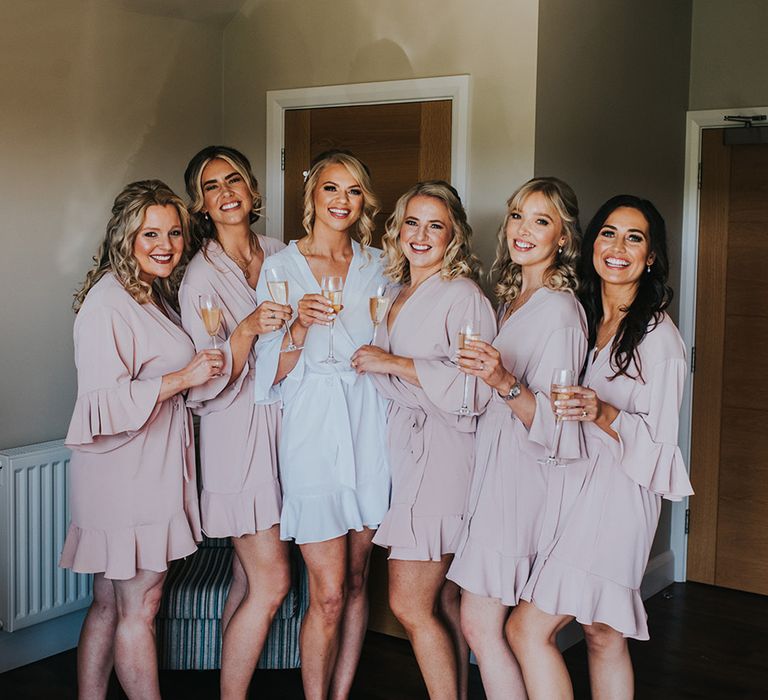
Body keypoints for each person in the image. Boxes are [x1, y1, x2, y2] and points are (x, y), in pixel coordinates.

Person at [507, 195, 694, 699]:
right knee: (602, 632)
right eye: (608, 233)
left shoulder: (660, 340)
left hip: (615, 504)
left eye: (635, 238)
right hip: (570, 490)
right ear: (592, 244)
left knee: (526, 629)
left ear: (651, 257)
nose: (618, 247)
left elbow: (661, 450)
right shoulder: (587, 320)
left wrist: (603, 411)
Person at [59, 180, 222, 700]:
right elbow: (101, 404)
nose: (165, 244)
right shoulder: (108, 303)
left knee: (109, 600)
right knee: (140, 605)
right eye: (150, 233)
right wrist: (184, 378)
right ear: (125, 235)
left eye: (174, 232)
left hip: (143, 464)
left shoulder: (147, 293)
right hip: (124, 470)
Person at [253, 150, 390, 700]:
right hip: (311, 427)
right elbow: (270, 373)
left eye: (354, 191)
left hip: (368, 423)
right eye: (331, 188)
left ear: (364, 201)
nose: (341, 201)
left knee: (358, 582)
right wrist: (299, 328)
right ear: (311, 196)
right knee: (328, 592)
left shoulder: (381, 264)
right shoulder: (280, 268)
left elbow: (395, 341)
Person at [351, 181, 496, 700]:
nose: (421, 234)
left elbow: (476, 390)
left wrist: (390, 362)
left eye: (435, 225)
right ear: (398, 228)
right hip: (408, 451)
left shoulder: (464, 297)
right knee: (445, 605)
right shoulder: (395, 290)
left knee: (411, 605)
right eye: (412, 222)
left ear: (453, 234)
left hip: (443, 454)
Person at [446, 177, 587, 700]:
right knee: (481, 623)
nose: (523, 230)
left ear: (564, 239)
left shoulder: (562, 313)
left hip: (521, 485)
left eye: (541, 220)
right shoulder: (512, 300)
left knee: (481, 624)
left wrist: (504, 381)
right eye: (517, 216)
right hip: (494, 474)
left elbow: (560, 426)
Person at [179, 146, 292, 699]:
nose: (225, 192)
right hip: (233, 434)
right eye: (210, 186)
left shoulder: (279, 254)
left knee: (248, 578)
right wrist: (244, 329)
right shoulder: (198, 277)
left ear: (251, 188)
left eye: (233, 180)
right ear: (201, 205)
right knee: (273, 580)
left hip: (280, 429)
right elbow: (206, 378)